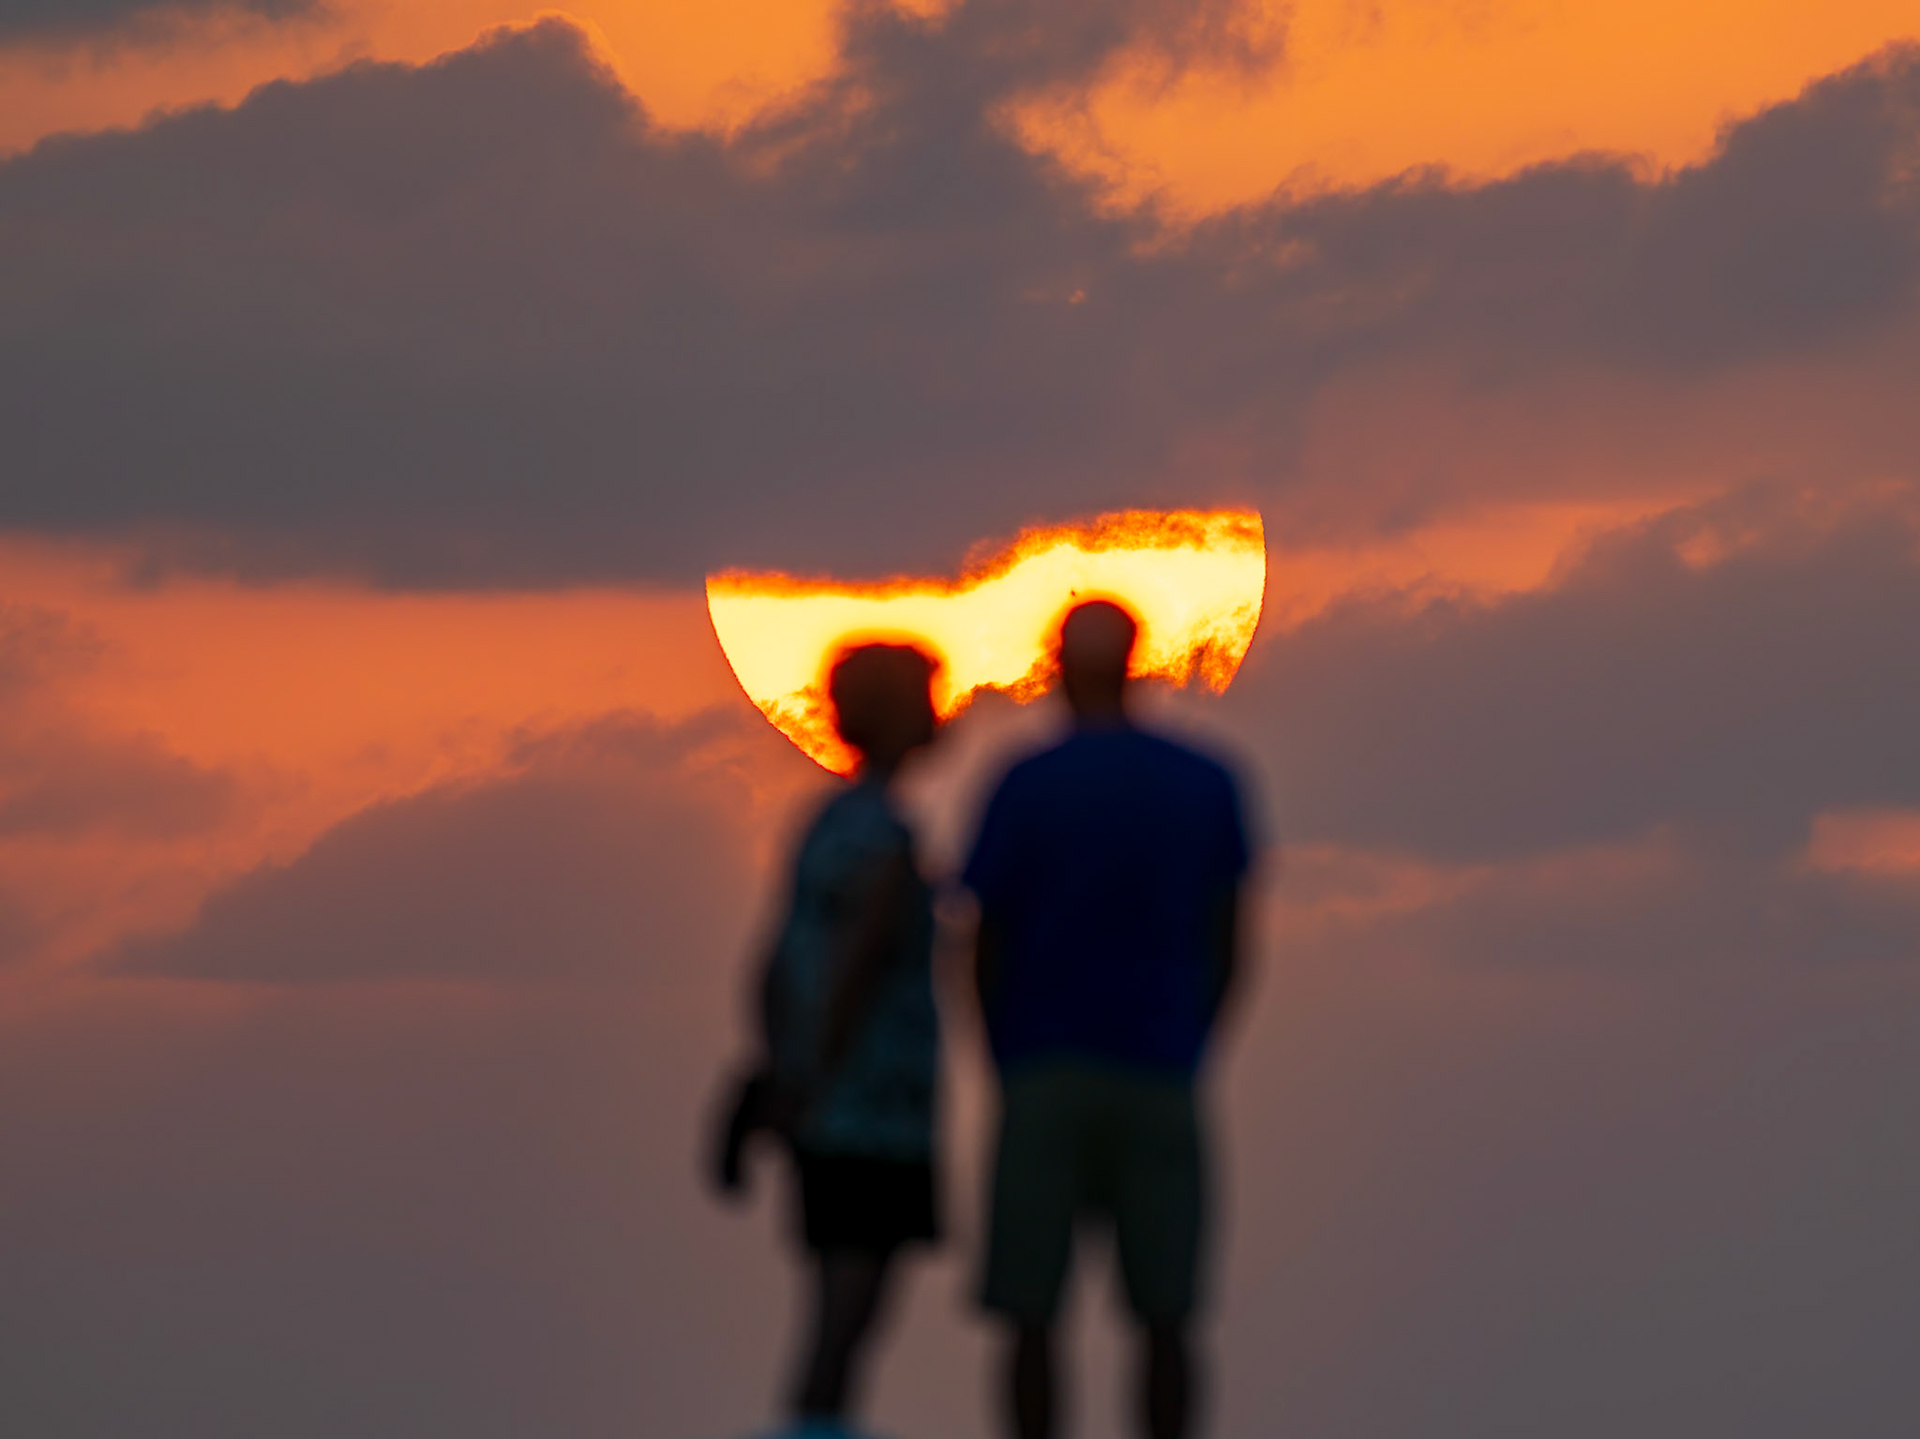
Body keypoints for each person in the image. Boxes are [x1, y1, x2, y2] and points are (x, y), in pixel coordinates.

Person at [963, 600, 1254, 1439]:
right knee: (1166, 1310)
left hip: (1045, 1065)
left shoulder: (1024, 781)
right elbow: (1231, 938)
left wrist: (1003, 1053)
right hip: (1161, 1062)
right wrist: (1196, 1037)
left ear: (1058, 666)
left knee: (1029, 1308)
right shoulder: (1206, 779)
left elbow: (985, 938)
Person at [710, 642, 944, 1439]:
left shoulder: (822, 826)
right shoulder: (885, 833)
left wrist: (783, 1068)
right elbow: (857, 960)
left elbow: (772, 965)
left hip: (829, 1102)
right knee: (850, 1309)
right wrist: (819, 1071)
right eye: (925, 694)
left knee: (835, 1307)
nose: (941, 708)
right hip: (871, 1108)